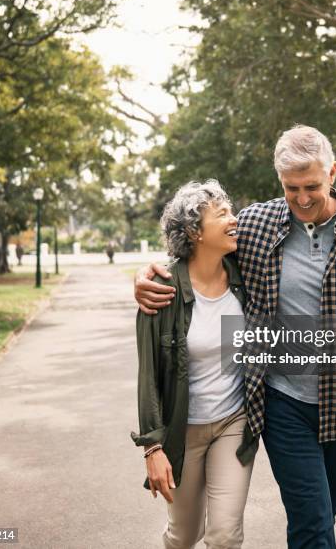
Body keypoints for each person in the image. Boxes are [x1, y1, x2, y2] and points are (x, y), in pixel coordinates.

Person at [135, 125, 336, 549]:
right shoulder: (254, 224)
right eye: (291, 188)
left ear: (333, 172)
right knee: (311, 519)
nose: (302, 198)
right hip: (280, 400)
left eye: (312, 186)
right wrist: (145, 276)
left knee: (327, 509)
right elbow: (196, 250)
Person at [131, 180, 258, 549]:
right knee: (184, 536)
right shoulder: (162, 289)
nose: (235, 220)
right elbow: (148, 376)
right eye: (222, 214)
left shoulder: (244, 276)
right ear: (193, 231)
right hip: (181, 431)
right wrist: (152, 449)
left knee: (223, 536)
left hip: (234, 423)